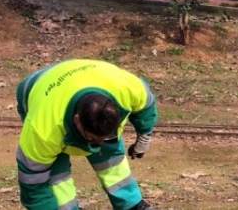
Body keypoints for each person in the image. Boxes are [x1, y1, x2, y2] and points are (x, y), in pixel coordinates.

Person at [14, 59, 158, 210]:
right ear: (77, 120)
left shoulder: (126, 87)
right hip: (36, 87)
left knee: (111, 154)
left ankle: (131, 204)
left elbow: (146, 104)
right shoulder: (43, 129)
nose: (100, 143)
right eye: (94, 139)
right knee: (56, 172)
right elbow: (33, 184)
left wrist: (144, 137)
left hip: (84, 73)